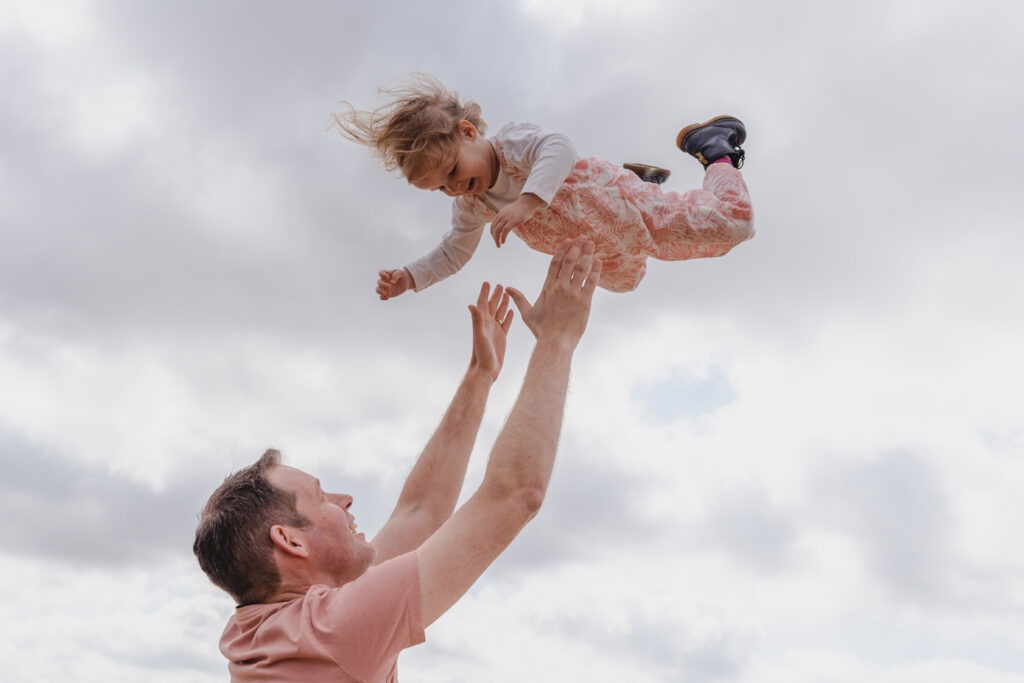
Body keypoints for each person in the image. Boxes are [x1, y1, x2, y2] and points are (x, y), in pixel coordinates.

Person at [193, 237, 601, 682]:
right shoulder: (330, 630)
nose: (344, 499)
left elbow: (420, 514)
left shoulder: (262, 629)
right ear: (290, 541)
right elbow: (515, 496)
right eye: (320, 495)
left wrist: (479, 378)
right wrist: (557, 341)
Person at [332, 73, 754, 298]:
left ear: (467, 133)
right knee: (627, 282)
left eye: (451, 171)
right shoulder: (473, 205)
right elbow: (452, 251)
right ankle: (646, 182)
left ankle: (713, 149)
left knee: (734, 224)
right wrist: (410, 276)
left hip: (620, 207)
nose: (455, 188)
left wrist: (528, 202)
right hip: (599, 247)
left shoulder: (512, 146)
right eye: (440, 189)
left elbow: (560, 146)